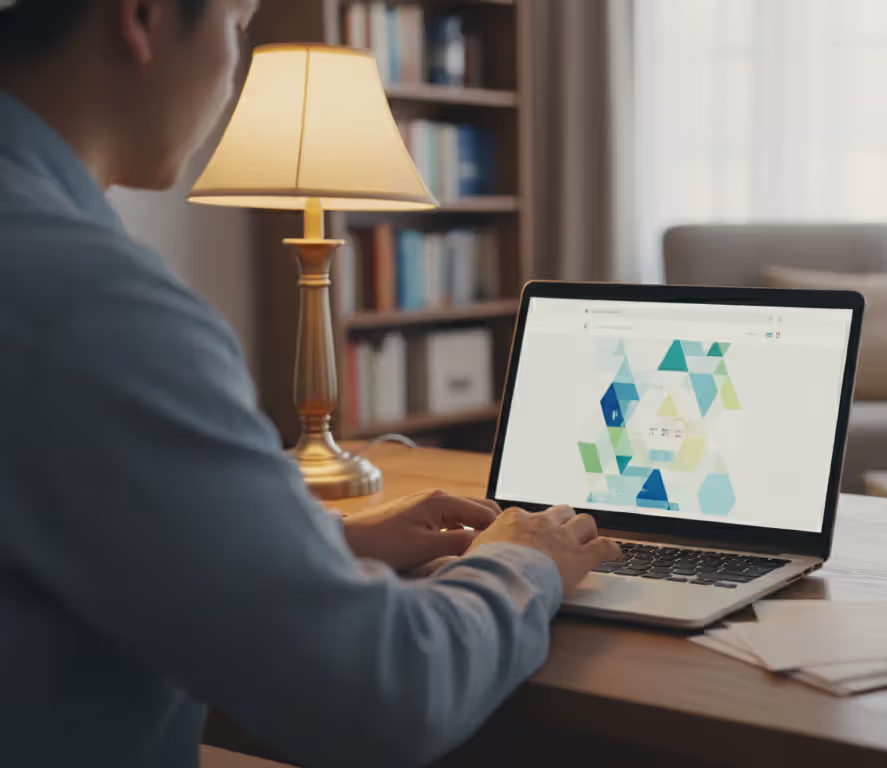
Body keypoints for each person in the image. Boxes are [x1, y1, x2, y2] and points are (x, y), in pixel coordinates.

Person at [0, 1, 621, 766]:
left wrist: (321, 542)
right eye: (236, 27)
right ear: (144, 16)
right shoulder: (92, 305)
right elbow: (380, 692)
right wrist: (525, 559)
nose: (232, 73)